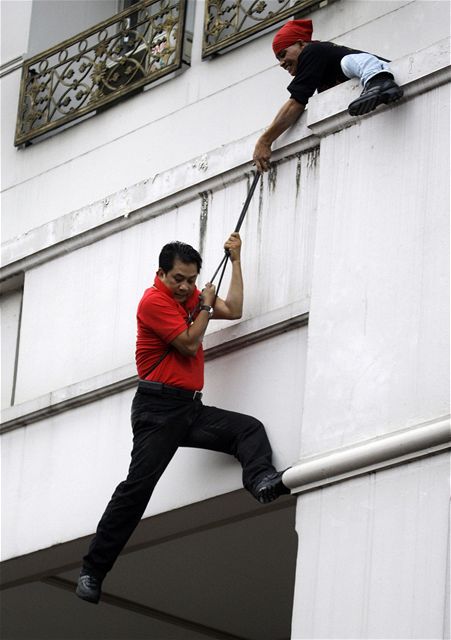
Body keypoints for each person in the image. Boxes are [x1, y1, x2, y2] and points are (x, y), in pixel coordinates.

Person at [76, 232, 290, 604]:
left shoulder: (190, 296)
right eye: (178, 279)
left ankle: (260, 481)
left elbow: (235, 308)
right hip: (157, 411)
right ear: (161, 273)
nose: (185, 286)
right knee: (137, 490)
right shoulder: (153, 302)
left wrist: (236, 261)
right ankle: (93, 571)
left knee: (247, 430)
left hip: (188, 409)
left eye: (191, 280)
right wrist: (205, 306)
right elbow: (189, 343)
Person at [253, 19, 403, 172]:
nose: (282, 63)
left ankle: (379, 81)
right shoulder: (319, 73)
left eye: (283, 54)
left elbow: (296, 103)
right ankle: (375, 87)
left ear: (301, 44)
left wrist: (265, 141)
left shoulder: (313, 51)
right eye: (279, 60)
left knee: (347, 61)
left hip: (384, 71)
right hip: (369, 88)